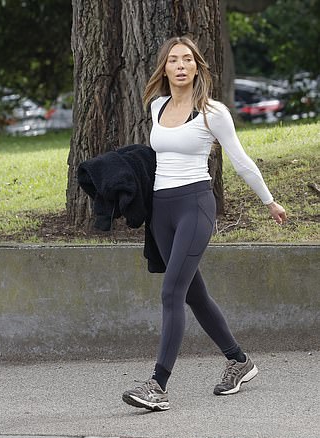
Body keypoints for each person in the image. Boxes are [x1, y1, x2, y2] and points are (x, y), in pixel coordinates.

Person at [121, 36, 287, 412]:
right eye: (173, 60)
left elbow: (241, 161)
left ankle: (157, 386)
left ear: (197, 67)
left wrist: (269, 201)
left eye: (187, 60)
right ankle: (239, 360)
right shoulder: (157, 106)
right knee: (193, 295)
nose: (180, 66)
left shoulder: (214, 113)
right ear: (165, 68)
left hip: (195, 206)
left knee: (171, 292)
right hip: (161, 210)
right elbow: (155, 156)